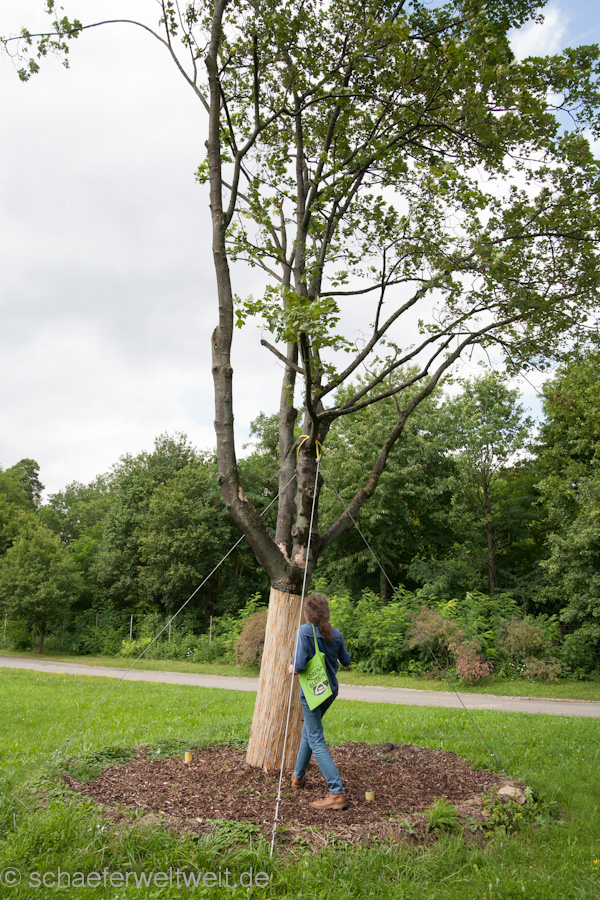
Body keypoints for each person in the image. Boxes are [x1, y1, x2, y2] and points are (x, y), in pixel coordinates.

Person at [288, 592, 351, 810]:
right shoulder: (336, 633)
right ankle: (298, 777)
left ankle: (336, 792)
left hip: (312, 694)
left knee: (315, 737)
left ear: (308, 613)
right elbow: (346, 661)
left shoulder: (304, 632)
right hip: (329, 692)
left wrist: (291, 667)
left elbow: (299, 665)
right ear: (326, 612)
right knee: (309, 730)